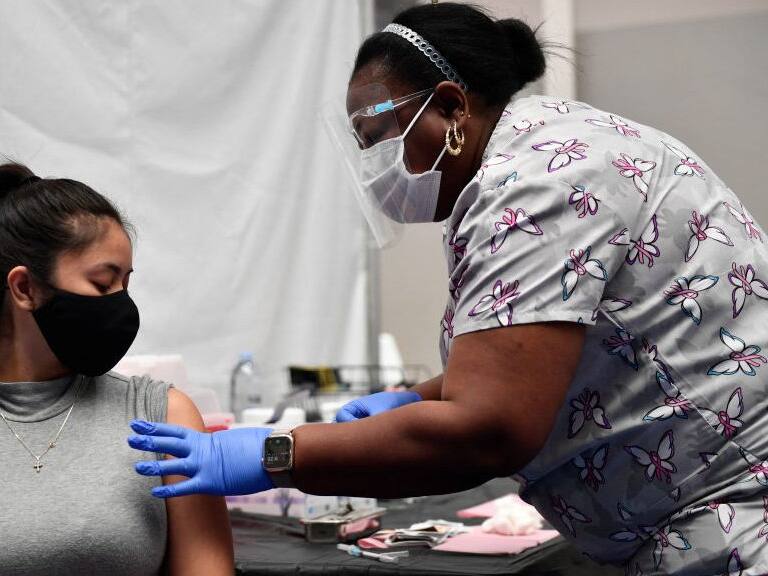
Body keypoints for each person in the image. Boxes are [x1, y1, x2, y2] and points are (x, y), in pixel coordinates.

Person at [128, 4, 768, 574]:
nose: (375, 163)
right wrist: (415, 398)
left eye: (380, 135)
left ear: (453, 107)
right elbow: (548, 346)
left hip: (734, 521)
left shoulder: (537, 184)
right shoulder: (552, 152)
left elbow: (489, 429)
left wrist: (271, 452)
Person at [0, 162, 233, 575]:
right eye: (103, 283)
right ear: (25, 288)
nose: (121, 305)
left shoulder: (161, 416)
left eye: (126, 283)